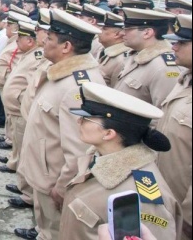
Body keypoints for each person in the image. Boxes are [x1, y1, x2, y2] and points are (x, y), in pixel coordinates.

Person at [15, 9, 105, 240]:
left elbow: (81, 149)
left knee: (55, 231)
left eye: (50, 39)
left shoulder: (78, 86)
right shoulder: (63, 73)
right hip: (44, 172)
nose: (43, 42)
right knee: (45, 225)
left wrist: (63, 187)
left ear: (66, 47)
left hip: (54, 179)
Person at [59, 83, 181, 240]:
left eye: (86, 118)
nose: (79, 122)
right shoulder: (99, 158)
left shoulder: (142, 199)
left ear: (109, 133)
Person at [1, 16, 50, 211]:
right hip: (18, 109)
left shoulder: (41, 56)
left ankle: (28, 194)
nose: (43, 39)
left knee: (26, 153)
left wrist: (21, 98)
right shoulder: (35, 53)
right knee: (19, 147)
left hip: (26, 112)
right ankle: (25, 188)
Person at [156, 14, 192, 240]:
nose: (174, 46)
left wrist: (188, 218)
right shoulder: (185, 80)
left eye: (182, 42)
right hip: (169, 201)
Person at [113, 8, 180, 108]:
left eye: (127, 28)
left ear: (147, 33)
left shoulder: (162, 67)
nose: (122, 33)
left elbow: (163, 114)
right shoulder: (135, 55)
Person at [0, 11, 30, 130]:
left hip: (13, 91)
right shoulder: (10, 40)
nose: (6, 28)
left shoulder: (18, 45)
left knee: (14, 122)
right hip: (4, 84)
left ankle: (9, 137)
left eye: (9, 26)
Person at [92, 10, 130, 87]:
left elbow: (116, 88)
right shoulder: (103, 50)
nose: (99, 31)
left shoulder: (121, 60)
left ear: (117, 34)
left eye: (104, 29)